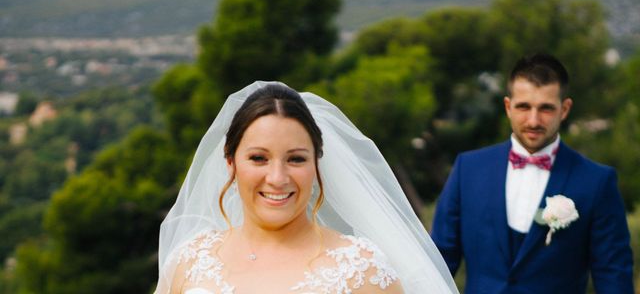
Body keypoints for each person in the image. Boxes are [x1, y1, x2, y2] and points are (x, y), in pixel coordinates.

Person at [155, 81, 459, 294]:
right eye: (259, 158)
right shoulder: (190, 260)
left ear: (316, 165)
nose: (277, 177)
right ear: (231, 163)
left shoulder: (362, 269)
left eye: (296, 159)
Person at [431, 53, 635, 293]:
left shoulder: (597, 182)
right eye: (524, 106)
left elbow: (614, 277)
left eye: (546, 108)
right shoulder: (468, 169)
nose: (533, 120)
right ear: (508, 106)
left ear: (565, 109)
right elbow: (438, 262)